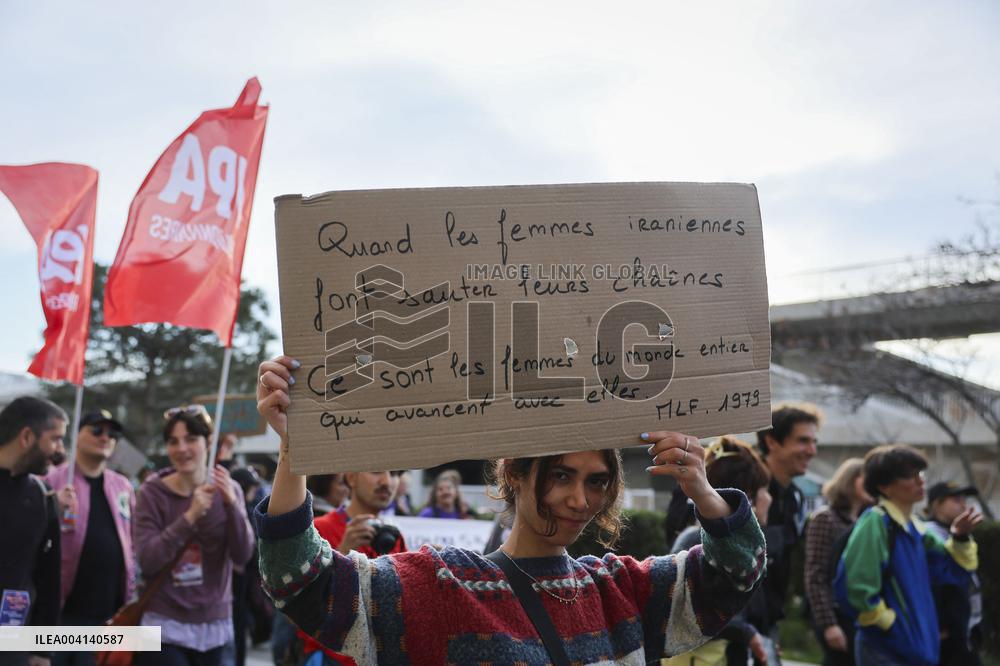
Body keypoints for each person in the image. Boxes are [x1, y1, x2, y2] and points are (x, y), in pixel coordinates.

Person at [254, 356, 766, 664]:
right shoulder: (443, 588)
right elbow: (300, 581)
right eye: (561, 475)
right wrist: (295, 449)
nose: (580, 500)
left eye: (596, 481)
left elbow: (736, 573)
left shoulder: (620, 592)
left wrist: (703, 491)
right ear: (514, 474)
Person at [132, 405, 255, 666]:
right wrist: (190, 517)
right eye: (173, 441)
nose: (182, 449)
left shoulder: (229, 488)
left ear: (209, 442)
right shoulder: (152, 492)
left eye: (190, 439)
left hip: (216, 626)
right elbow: (147, 560)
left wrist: (232, 506)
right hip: (163, 625)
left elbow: (243, 555)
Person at [838, 445, 980, 666]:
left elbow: (954, 571)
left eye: (920, 474)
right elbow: (857, 589)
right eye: (909, 476)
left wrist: (960, 537)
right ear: (884, 486)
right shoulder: (876, 522)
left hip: (914, 650)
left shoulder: (916, 528)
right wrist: (889, 625)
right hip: (884, 649)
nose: (920, 481)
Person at [667, 436, 773, 666]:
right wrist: (745, 632)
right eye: (765, 489)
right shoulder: (694, 539)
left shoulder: (746, 549)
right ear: (748, 496)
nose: (769, 498)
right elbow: (686, 607)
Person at [45, 409, 137, 666]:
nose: (105, 437)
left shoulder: (123, 486)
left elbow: (133, 542)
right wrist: (51, 507)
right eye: (96, 430)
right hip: (60, 616)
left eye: (112, 433)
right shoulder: (52, 480)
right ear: (77, 435)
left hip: (107, 617)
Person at [0, 396, 67, 666]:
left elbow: (48, 578)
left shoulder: (42, 497)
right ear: (27, 436)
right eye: (55, 439)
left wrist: (43, 650)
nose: (60, 450)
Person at [755, 401, 821, 653]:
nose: (812, 451)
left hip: (768, 626)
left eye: (814, 442)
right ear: (772, 441)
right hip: (730, 630)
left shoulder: (796, 498)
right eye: (803, 441)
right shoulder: (741, 487)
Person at [804, 458, 871, 666]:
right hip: (836, 615)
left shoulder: (864, 522)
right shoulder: (826, 518)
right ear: (850, 481)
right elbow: (815, 575)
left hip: (857, 615)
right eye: (866, 478)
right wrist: (828, 624)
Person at [924, 481, 983, 665]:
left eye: (964, 500)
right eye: (956, 500)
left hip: (964, 632)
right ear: (936, 504)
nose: (964, 505)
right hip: (944, 637)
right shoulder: (928, 536)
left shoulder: (957, 535)